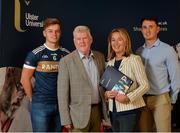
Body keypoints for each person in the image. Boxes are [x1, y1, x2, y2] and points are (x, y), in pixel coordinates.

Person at [20, 18, 69, 132]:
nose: (54, 34)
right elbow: (24, 79)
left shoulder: (66, 54)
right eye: (50, 31)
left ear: (60, 33)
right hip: (41, 105)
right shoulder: (35, 54)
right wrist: (33, 98)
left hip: (60, 105)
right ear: (44, 33)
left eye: (57, 31)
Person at [57, 25, 109, 132]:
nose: (82, 42)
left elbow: (104, 84)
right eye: (78, 39)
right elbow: (62, 93)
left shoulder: (100, 57)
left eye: (84, 38)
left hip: (97, 112)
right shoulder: (66, 61)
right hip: (77, 115)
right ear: (74, 41)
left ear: (91, 39)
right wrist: (65, 119)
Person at [136, 16, 180, 132]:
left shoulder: (168, 50)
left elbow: (176, 77)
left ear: (158, 29)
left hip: (161, 99)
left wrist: (172, 100)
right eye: (144, 27)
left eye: (151, 27)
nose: (147, 30)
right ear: (141, 30)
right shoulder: (138, 51)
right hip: (142, 100)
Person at [105, 27, 149, 132]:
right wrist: (106, 94)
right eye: (113, 40)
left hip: (129, 111)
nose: (116, 43)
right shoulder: (109, 62)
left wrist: (128, 97)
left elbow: (145, 85)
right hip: (113, 111)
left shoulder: (134, 59)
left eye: (119, 39)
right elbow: (108, 86)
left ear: (126, 41)